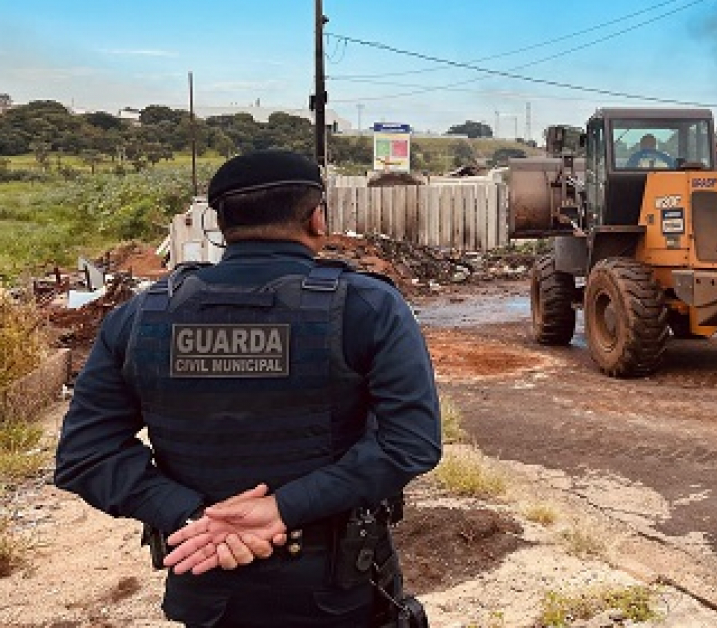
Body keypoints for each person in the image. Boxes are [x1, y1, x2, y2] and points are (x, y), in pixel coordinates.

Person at [54, 149, 442, 628]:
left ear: (221, 224)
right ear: (317, 218)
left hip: (207, 581)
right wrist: (282, 509)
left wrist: (192, 517)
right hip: (341, 592)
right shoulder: (369, 307)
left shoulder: (140, 318)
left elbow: (85, 455)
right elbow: (409, 443)